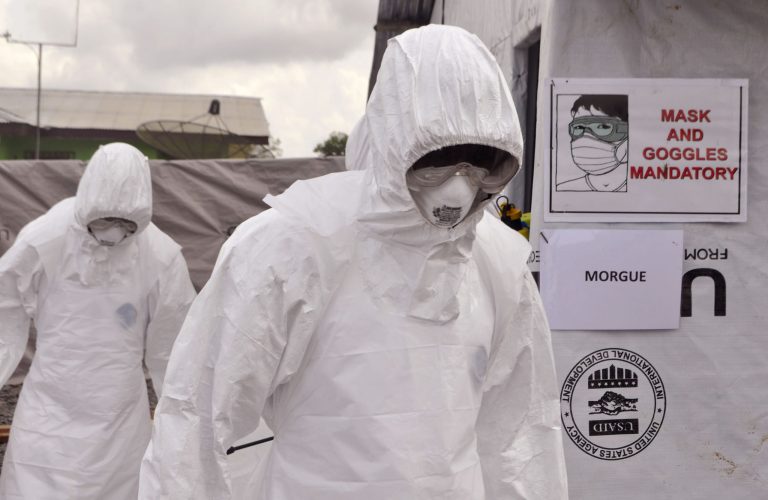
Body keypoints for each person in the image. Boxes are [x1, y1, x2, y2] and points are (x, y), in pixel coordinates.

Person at [140, 25, 567, 499]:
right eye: (440, 157)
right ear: (396, 140)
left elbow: (522, 433)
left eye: (480, 162)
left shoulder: (497, 262)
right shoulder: (295, 245)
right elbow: (198, 421)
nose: (458, 185)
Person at [0, 143, 196, 499]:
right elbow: (4, 308)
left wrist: (184, 418)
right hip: (49, 404)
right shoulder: (45, 237)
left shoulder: (160, 254)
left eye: (126, 225)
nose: (113, 233)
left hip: (118, 409)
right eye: (104, 221)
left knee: (117, 486)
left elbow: (176, 345)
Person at [557, 94, 629, 192]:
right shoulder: (565, 190)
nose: (586, 138)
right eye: (578, 127)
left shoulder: (643, 191)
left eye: (603, 127)